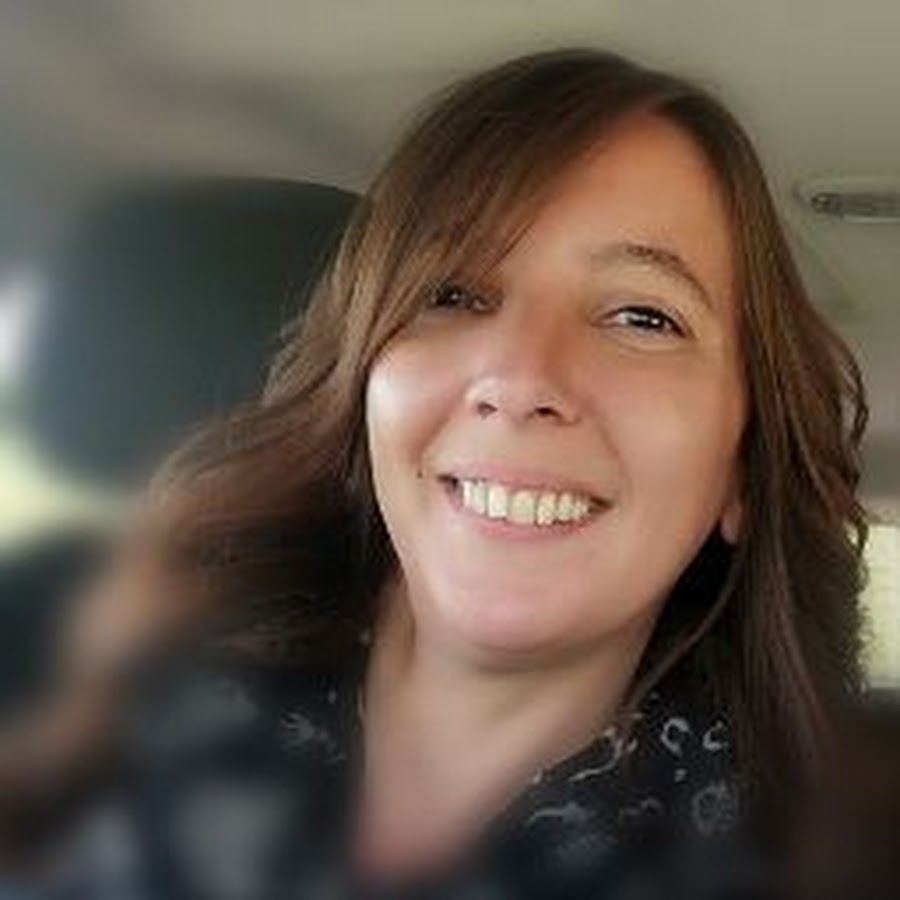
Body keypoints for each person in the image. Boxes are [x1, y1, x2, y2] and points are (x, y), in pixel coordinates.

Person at [5, 48, 871, 898]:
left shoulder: (800, 853)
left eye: (643, 316)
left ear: (741, 475)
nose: (520, 378)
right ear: (361, 393)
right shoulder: (109, 694)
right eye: (452, 294)